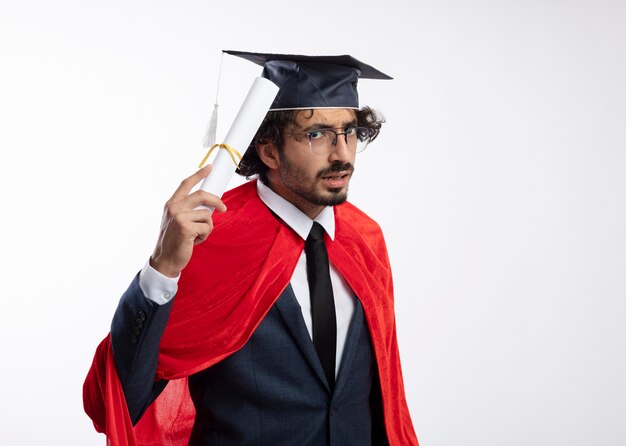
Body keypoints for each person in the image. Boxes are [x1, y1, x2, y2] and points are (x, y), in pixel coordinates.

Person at [84, 51, 418, 446]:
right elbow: (121, 397)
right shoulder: (210, 240)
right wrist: (162, 269)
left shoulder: (366, 238)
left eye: (348, 132)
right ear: (269, 150)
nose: (342, 154)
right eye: (317, 134)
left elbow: (381, 392)